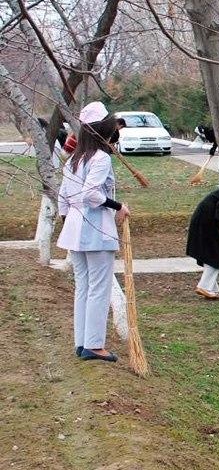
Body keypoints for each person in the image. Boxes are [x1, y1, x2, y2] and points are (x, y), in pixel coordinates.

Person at [57, 101, 130, 363]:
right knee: (98, 288)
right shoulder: (100, 158)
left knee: (84, 287)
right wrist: (118, 206)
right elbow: (91, 194)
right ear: (103, 130)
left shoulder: (73, 161)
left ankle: (83, 343)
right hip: (96, 230)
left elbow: (63, 199)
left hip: (75, 230)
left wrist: (70, 223)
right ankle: (94, 345)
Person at [186, 180, 219, 300]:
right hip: (208, 220)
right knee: (216, 253)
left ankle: (212, 289)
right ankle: (204, 287)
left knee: (212, 253)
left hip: (207, 218)